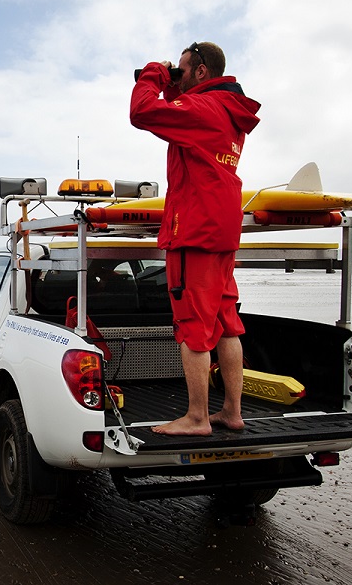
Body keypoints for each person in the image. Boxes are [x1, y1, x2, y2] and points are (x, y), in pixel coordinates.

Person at [130, 41, 261, 436]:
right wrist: (174, 85)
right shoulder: (226, 110)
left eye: (183, 71)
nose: (177, 77)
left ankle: (197, 417)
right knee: (226, 323)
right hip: (222, 229)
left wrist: (155, 73)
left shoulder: (203, 110)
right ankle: (232, 412)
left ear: (201, 71)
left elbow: (142, 112)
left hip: (195, 232)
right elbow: (179, 108)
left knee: (193, 326)